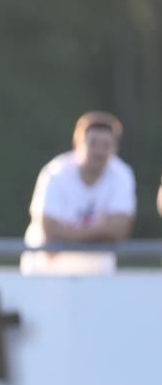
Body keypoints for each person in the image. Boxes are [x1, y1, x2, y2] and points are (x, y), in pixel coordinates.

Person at [20, 111, 136, 275]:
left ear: (115, 148)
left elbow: (118, 232)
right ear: (77, 144)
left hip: (98, 276)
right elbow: (51, 233)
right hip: (46, 274)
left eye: (106, 145)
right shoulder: (55, 173)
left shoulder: (122, 175)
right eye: (93, 143)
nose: (99, 151)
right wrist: (101, 229)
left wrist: (67, 233)